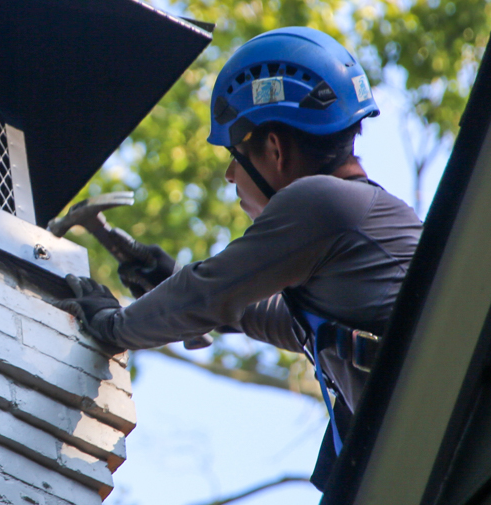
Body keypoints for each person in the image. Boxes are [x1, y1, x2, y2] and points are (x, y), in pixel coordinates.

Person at [58, 27, 423, 490]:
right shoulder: (354, 222)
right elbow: (290, 323)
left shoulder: (322, 201)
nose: (231, 173)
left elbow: (207, 292)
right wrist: (170, 279)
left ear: (274, 149)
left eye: (235, 153)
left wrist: (113, 325)